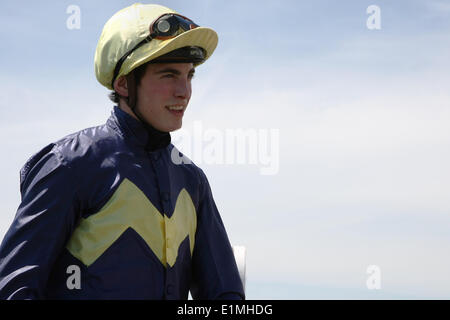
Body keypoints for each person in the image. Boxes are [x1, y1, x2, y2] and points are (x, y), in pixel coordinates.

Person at [0, 3, 244, 300]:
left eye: (189, 75)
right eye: (168, 75)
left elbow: (225, 296)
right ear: (124, 83)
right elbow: (13, 290)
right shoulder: (69, 164)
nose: (184, 91)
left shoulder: (193, 181)